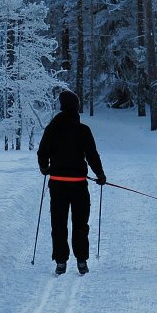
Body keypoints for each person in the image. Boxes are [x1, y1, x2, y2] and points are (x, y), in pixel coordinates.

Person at [37, 88, 105, 275]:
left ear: (62, 106)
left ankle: (60, 262)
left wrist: (44, 168)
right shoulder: (83, 130)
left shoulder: (52, 129)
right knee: (80, 223)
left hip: (57, 184)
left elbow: (42, 152)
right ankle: (81, 261)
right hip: (78, 184)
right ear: (75, 108)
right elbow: (92, 155)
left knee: (58, 223)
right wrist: (100, 175)